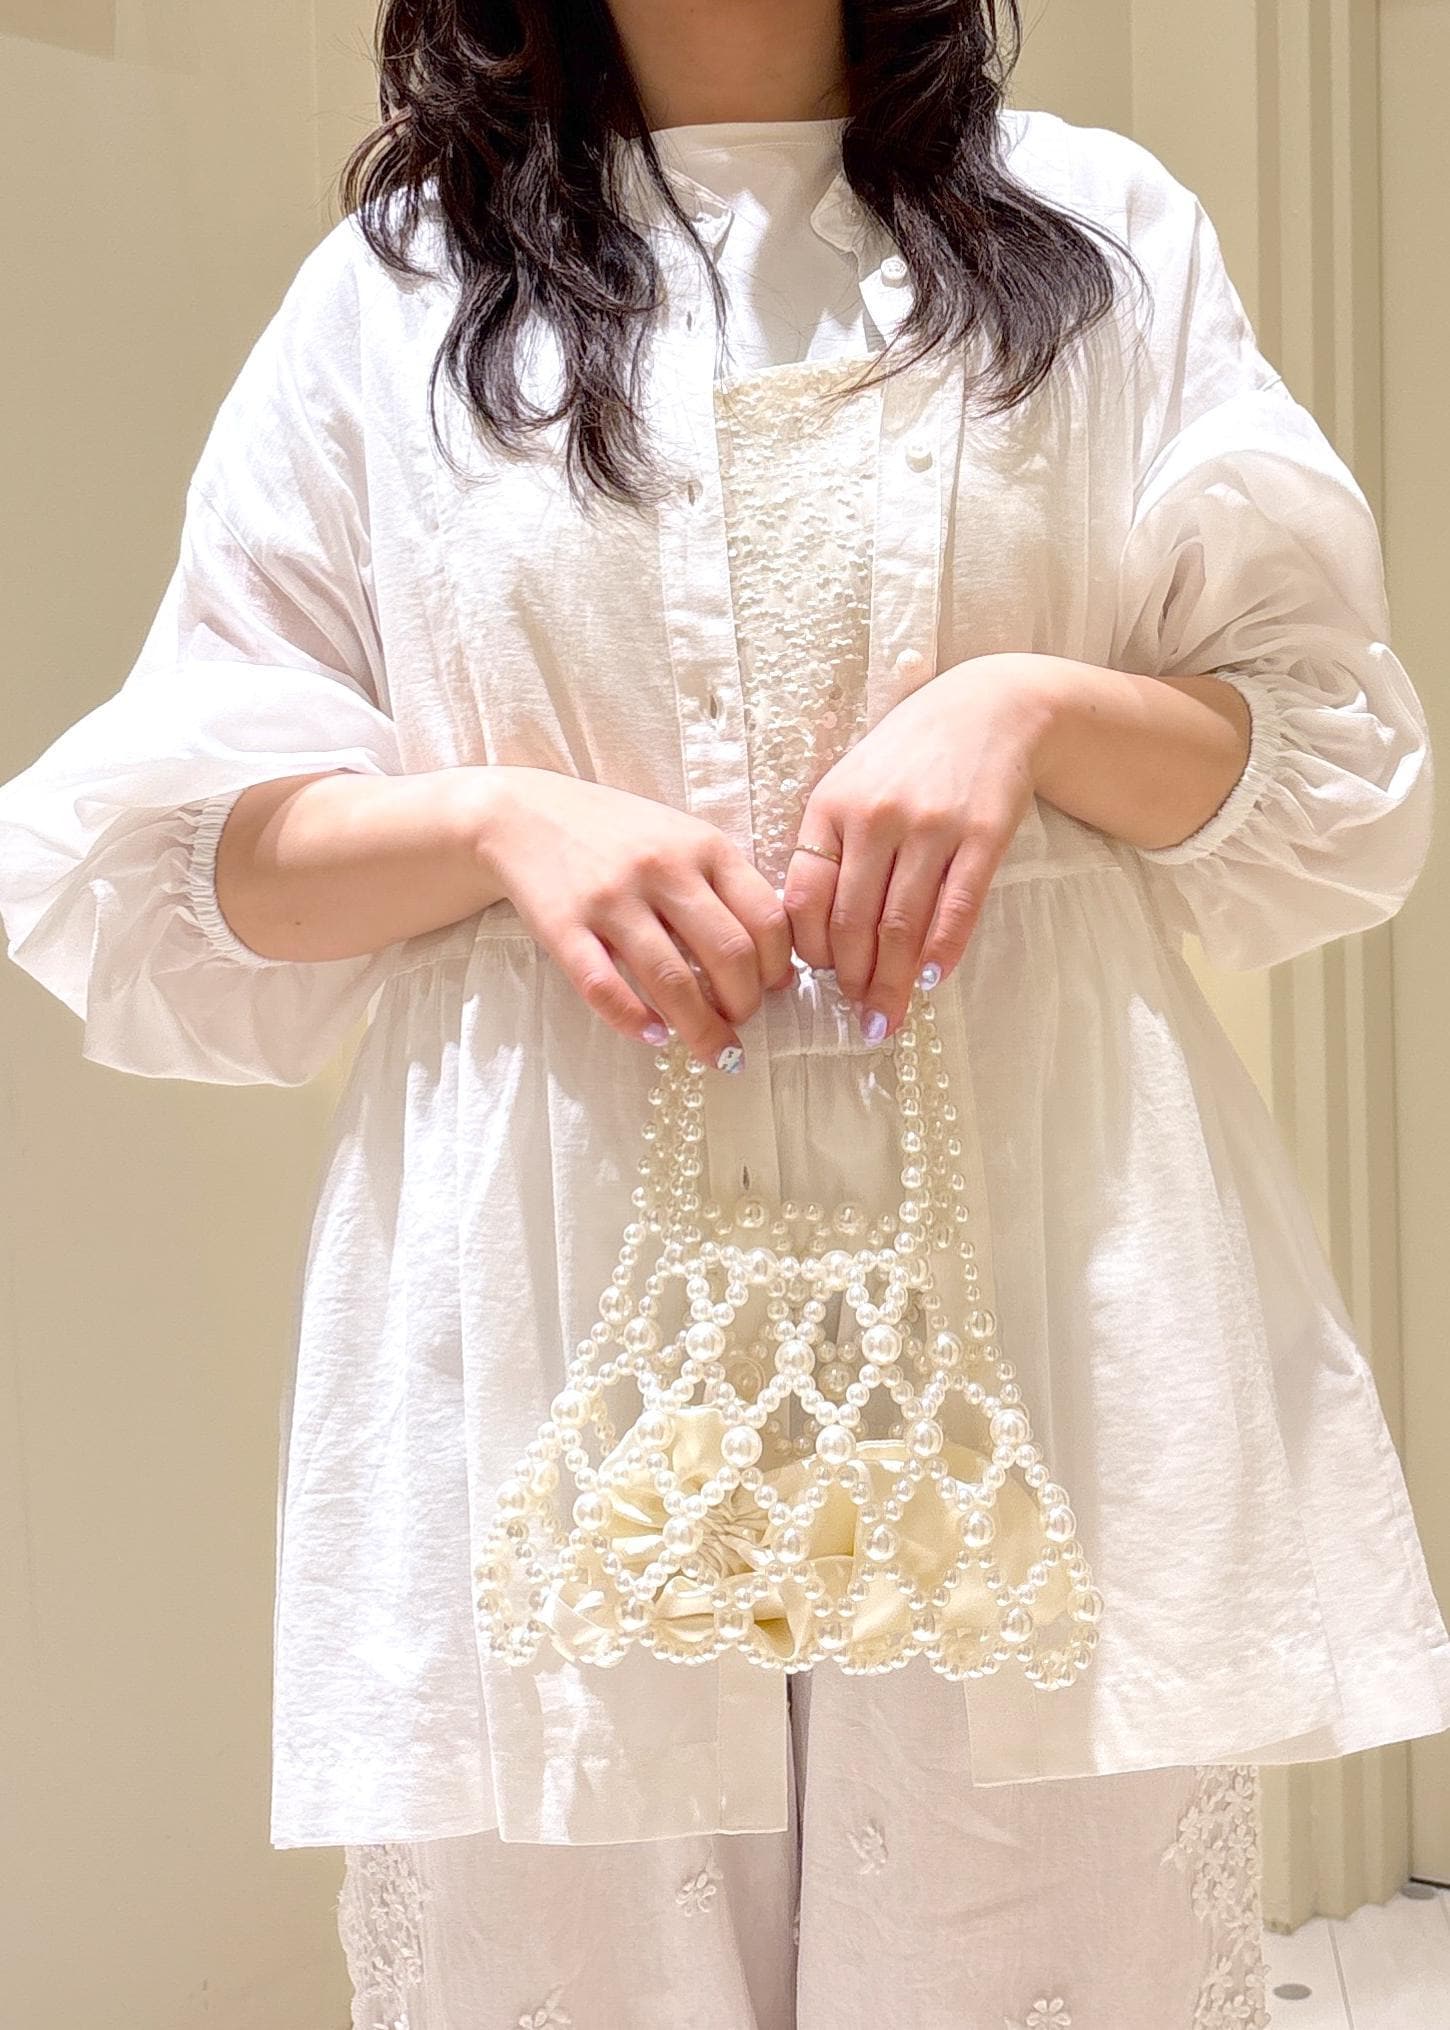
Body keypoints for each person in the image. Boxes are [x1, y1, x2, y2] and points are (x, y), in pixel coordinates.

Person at [0, 0, 1446, 2023]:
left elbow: (1325, 765)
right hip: (559, 1302)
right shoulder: (403, 291)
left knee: (1034, 1947)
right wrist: (495, 819)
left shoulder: (1093, 233)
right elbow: (165, 874)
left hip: (1025, 1277)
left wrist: (1025, 710)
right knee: (578, 1956)